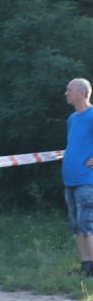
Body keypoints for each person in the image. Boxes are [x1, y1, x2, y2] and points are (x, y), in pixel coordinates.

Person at [62, 78, 93, 277]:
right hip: (70, 180)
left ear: (81, 93)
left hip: (87, 181)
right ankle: (86, 266)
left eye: (69, 90)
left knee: (88, 225)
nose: (66, 93)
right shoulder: (72, 118)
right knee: (76, 226)